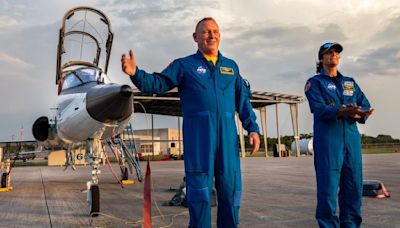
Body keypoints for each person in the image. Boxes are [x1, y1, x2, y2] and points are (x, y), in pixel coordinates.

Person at [121, 17, 260, 228]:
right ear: (195, 37)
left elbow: (242, 101)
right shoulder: (184, 66)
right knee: (199, 195)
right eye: (205, 32)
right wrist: (136, 74)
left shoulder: (231, 67)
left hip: (227, 141)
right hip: (199, 141)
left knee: (231, 193)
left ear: (220, 36)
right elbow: (157, 83)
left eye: (215, 31)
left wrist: (253, 128)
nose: (211, 35)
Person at [305, 42, 374, 228]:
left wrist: (361, 113)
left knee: (353, 187)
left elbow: (365, 104)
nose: (333, 55)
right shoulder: (315, 83)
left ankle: (351, 225)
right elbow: (320, 109)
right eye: (329, 53)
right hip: (328, 142)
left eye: (336, 53)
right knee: (327, 190)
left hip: (351, 141)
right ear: (321, 58)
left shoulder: (349, 82)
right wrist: (342, 110)